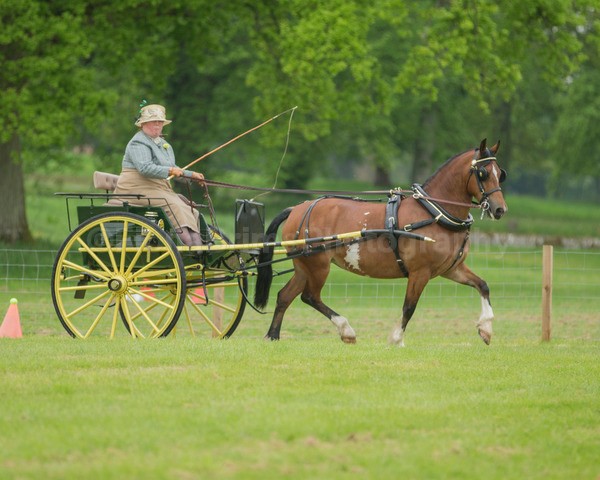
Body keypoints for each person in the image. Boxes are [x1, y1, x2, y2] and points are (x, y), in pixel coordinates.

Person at [113, 103, 205, 246]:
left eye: (160, 121)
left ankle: (198, 245)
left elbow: (173, 168)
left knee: (188, 207)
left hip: (157, 187)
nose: (157, 124)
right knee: (174, 204)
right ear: (143, 124)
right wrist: (170, 171)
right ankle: (187, 243)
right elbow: (145, 168)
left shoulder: (163, 144)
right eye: (153, 121)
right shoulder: (138, 142)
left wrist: (191, 175)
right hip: (135, 187)